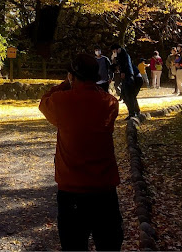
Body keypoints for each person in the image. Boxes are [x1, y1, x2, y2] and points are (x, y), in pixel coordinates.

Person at [39, 53, 123, 251]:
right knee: (109, 245)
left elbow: (44, 102)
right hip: (104, 189)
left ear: (71, 76)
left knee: (73, 246)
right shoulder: (110, 103)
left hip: (72, 191)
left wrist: (65, 84)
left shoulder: (62, 101)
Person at [111, 42, 141, 118]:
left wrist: (123, 72)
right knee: (126, 95)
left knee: (129, 95)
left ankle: (134, 112)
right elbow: (116, 67)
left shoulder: (124, 55)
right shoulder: (119, 57)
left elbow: (126, 65)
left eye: (114, 51)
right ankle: (134, 111)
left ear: (117, 49)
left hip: (130, 77)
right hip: (128, 77)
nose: (114, 53)